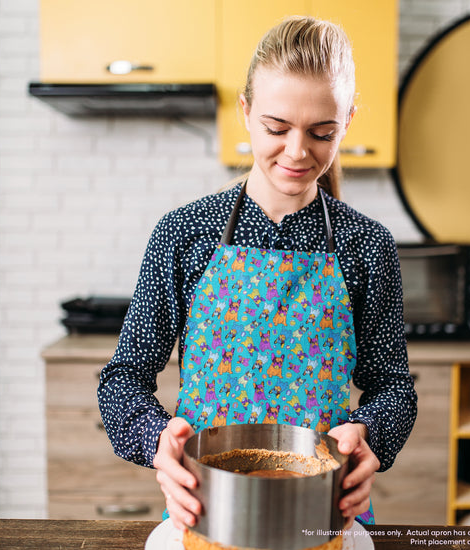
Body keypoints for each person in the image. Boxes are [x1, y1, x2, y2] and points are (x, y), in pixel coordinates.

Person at [98, 15, 417, 533]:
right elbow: (122, 382)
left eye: (322, 132)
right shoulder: (185, 232)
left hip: (323, 513)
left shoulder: (367, 246)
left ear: (348, 121)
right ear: (245, 113)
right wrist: (158, 440)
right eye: (276, 128)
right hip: (209, 511)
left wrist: (372, 437)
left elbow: (393, 387)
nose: (297, 152)